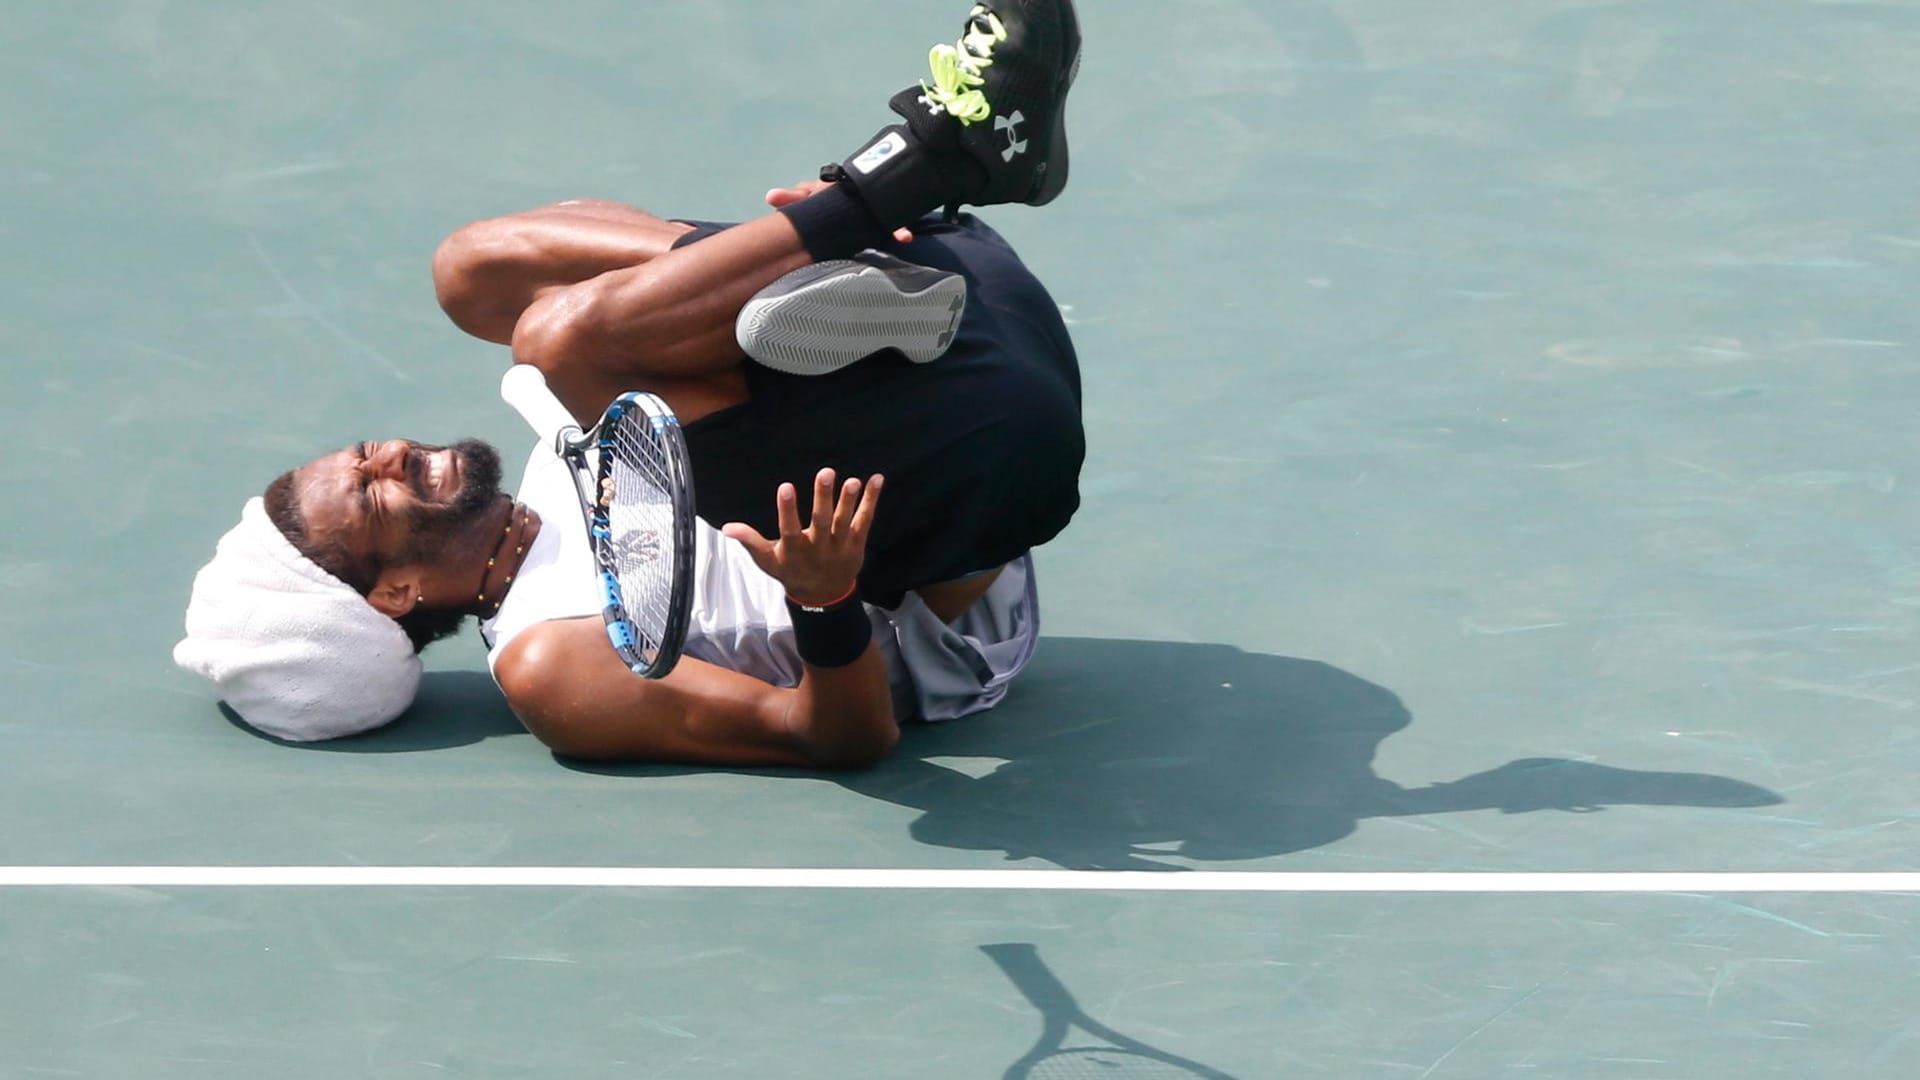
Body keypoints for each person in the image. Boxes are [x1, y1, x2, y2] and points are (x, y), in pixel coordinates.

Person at [175, 0, 1084, 769]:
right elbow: (835, 737)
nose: (396, 457)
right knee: (559, 342)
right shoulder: (550, 659)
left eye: (366, 452)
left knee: (472, 271)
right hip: (972, 488)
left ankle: (857, 231)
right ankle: (918, 170)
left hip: (961, 302)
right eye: (374, 495)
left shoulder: (549, 458)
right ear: (396, 596)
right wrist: (821, 594)